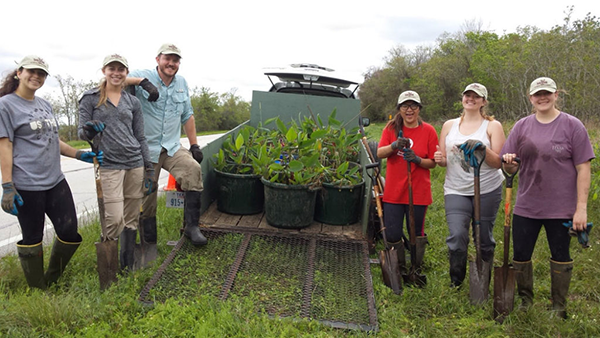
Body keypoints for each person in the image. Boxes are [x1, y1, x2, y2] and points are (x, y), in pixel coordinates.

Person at [0, 55, 102, 289]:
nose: (36, 76)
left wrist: (78, 154)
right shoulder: (5, 105)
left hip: (55, 180)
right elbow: (4, 146)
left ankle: (53, 277)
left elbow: (53, 140)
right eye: (31, 71)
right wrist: (7, 185)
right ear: (19, 73)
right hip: (27, 184)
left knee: (69, 231)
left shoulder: (44, 105)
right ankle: (38, 288)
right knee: (33, 237)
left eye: (42, 73)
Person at [501, 77, 594, 318]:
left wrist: (580, 209)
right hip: (526, 204)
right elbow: (508, 166)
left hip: (562, 207)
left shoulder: (573, 126)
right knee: (520, 255)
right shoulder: (521, 126)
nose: (542, 98)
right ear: (530, 98)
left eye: (547, 93)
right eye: (537, 94)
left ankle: (558, 307)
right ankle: (525, 302)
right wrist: (509, 164)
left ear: (555, 95)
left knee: (561, 255)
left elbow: (584, 168)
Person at [127, 43, 206, 264]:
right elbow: (115, 81)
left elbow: (187, 115)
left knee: (193, 170)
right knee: (148, 195)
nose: (171, 63)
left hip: (171, 147)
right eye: (167, 59)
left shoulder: (182, 83)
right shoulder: (143, 75)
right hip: (146, 149)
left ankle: (191, 227)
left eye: (175, 60)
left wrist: (194, 145)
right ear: (158, 59)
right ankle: (148, 245)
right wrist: (142, 84)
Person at [78, 54, 154, 272]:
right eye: (112, 68)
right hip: (109, 164)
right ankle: (109, 267)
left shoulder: (133, 102)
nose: (116, 72)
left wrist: (148, 168)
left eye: (121, 69)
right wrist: (89, 130)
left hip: (135, 163)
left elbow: (140, 136)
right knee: (114, 219)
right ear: (104, 71)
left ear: (126, 73)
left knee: (131, 217)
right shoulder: (90, 98)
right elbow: (81, 131)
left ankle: (127, 265)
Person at [434, 83, 505, 289]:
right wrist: (439, 158)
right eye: (467, 95)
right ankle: (456, 280)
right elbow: (444, 160)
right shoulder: (449, 125)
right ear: (462, 98)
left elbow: (498, 162)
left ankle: (483, 279)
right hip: (456, 189)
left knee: (483, 237)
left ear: (484, 101)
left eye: (476, 96)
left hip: (487, 189)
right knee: (457, 235)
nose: (471, 99)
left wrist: (483, 149)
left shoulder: (493, 126)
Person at [376, 90, 438, 285]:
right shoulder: (391, 128)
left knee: (415, 233)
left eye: (413, 106)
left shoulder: (428, 130)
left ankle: (415, 269)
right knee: (393, 233)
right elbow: (379, 153)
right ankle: (399, 269)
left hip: (418, 192)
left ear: (419, 109)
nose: (409, 110)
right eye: (405, 106)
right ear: (399, 109)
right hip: (394, 191)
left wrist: (418, 160)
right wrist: (394, 145)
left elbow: (432, 163)